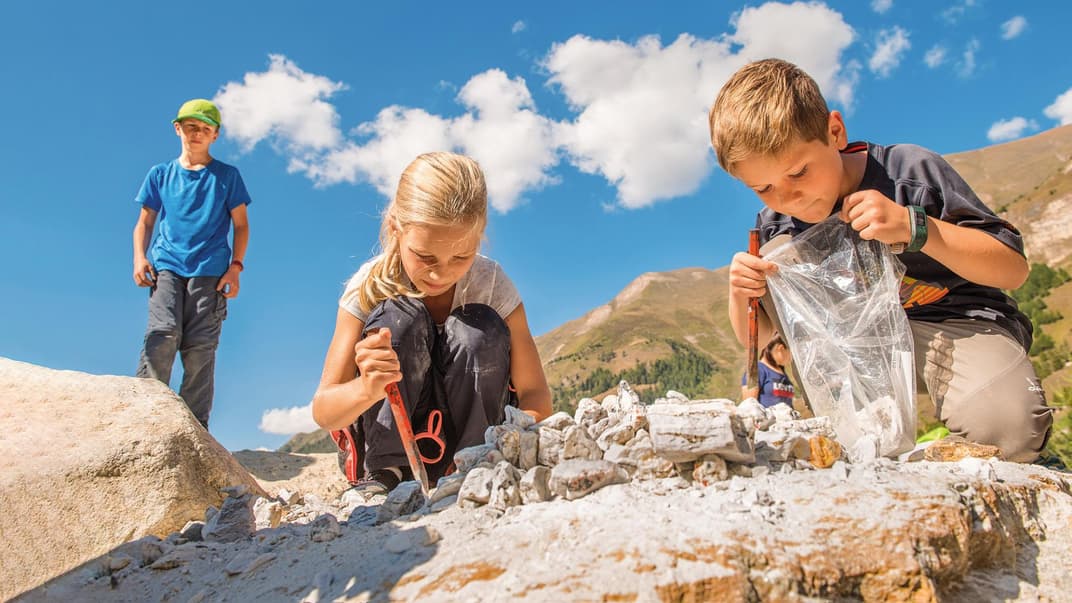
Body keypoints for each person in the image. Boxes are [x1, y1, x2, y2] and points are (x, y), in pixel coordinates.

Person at [710, 58, 1052, 462]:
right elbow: (763, 338)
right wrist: (740, 293)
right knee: (774, 259)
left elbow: (1012, 268)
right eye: (763, 187)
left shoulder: (908, 172)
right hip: (853, 350)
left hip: (955, 324)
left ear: (834, 131)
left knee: (1009, 430)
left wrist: (915, 227)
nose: (788, 198)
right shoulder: (775, 228)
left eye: (799, 172)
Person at [312, 152, 553, 493]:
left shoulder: (492, 285)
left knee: (478, 328)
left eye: (461, 256)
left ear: (480, 235)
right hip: (387, 465)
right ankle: (386, 472)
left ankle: (473, 460)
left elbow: (535, 396)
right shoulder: (367, 287)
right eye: (424, 257)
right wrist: (366, 388)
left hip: (477, 458)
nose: (441, 273)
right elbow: (325, 411)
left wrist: (512, 440)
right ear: (396, 227)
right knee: (397, 318)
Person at [133, 99, 251, 429]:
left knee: (200, 350)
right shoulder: (160, 174)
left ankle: (195, 428)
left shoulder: (227, 177)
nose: (196, 134)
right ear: (178, 129)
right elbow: (145, 222)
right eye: (190, 127)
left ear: (215, 135)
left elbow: (241, 224)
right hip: (167, 266)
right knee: (163, 333)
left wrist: (235, 266)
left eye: (205, 129)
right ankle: (145, 415)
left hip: (211, 272)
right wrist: (140, 257)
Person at [741, 333, 795, 409]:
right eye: (791, 352)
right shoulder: (757, 369)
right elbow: (748, 405)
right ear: (781, 348)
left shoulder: (783, 373)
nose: (792, 358)